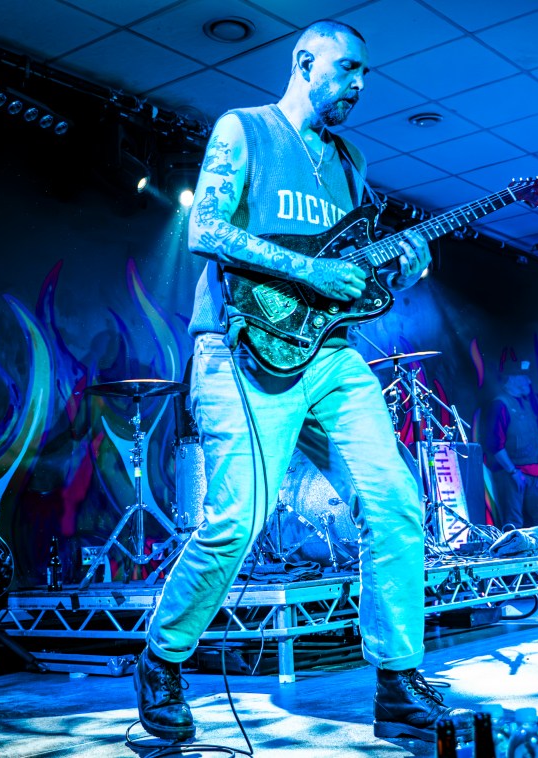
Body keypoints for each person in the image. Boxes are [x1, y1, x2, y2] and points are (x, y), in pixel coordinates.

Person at [133, 19, 473, 744]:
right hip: (240, 346)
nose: (358, 84)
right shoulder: (246, 129)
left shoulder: (350, 161)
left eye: (365, 74)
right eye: (347, 68)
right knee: (237, 520)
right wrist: (309, 270)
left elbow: (354, 277)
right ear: (304, 60)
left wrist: (402, 269)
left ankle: (397, 681)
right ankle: (161, 658)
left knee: (394, 501)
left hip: (330, 355)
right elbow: (206, 231)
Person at [486, 362, 538, 545]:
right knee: (514, 522)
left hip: (534, 475)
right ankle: (514, 559)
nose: (529, 382)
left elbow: (536, 442)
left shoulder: (526, 404)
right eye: (525, 377)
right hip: (512, 474)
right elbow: (494, 445)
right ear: (512, 379)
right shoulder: (500, 405)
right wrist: (513, 472)